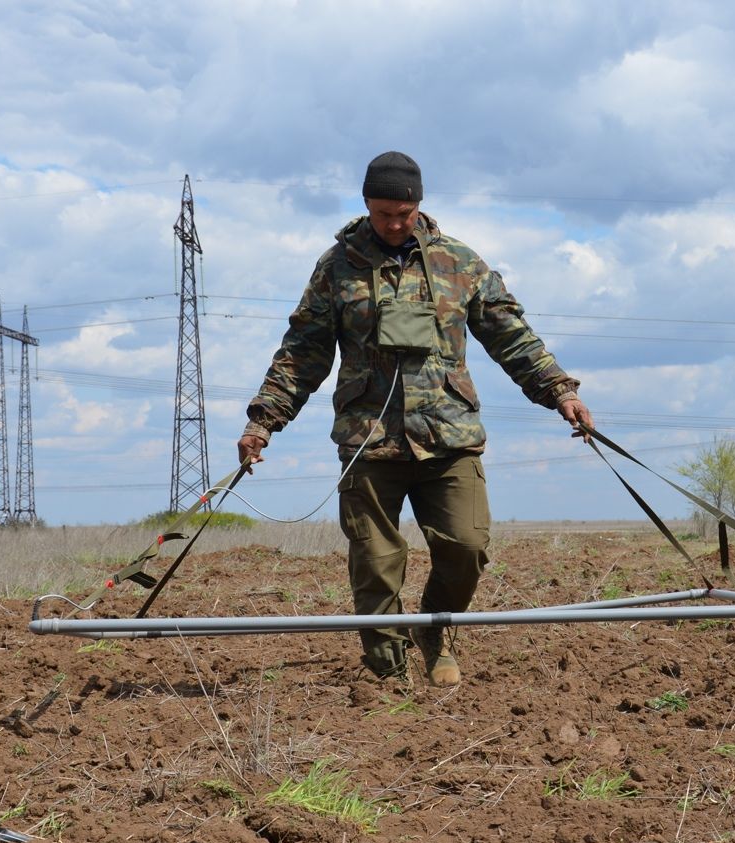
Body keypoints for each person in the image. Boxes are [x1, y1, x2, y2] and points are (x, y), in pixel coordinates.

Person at [237, 151, 593, 686]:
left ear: (419, 205)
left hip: (448, 436)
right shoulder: (336, 267)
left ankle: (435, 631)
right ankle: (386, 671)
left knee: (467, 547)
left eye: (404, 213)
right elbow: (303, 351)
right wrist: (264, 421)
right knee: (376, 562)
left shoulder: (459, 261)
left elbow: (511, 335)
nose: (395, 224)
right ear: (366, 206)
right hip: (369, 442)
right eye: (384, 214)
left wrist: (559, 391)